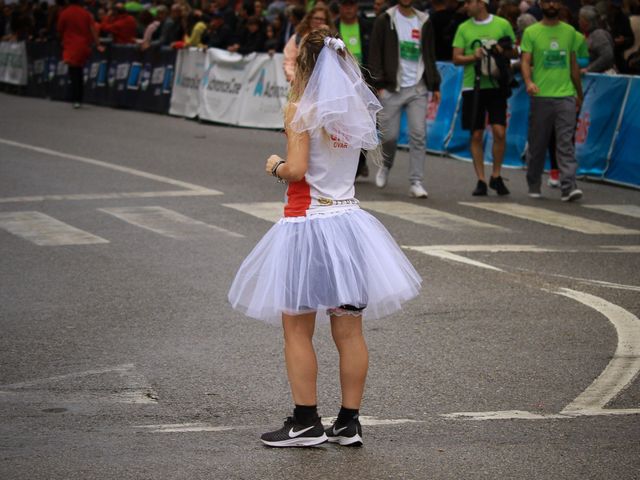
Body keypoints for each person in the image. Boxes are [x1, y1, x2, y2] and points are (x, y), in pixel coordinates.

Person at [228, 28, 422, 448]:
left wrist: (275, 164)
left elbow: (297, 170)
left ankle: (305, 421)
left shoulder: (301, 108)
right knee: (350, 331)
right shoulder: (354, 110)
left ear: (304, 65)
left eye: (293, 58)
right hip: (350, 224)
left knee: (296, 329)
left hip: (307, 225)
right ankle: (349, 422)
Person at [368, 0, 441, 198]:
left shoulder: (424, 20)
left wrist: (435, 83)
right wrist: (379, 84)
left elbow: (430, 54)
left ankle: (416, 181)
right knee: (389, 136)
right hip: (392, 87)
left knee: (418, 134)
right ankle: (386, 165)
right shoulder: (385, 20)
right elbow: (374, 53)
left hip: (418, 87)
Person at [521, 0, 584, 201]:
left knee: (565, 142)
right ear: (540, 4)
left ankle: (568, 186)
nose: (551, 5)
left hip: (565, 95)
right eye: (547, 1)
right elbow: (525, 61)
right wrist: (529, 81)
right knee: (538, 144)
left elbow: (573, 63)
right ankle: (534, 183)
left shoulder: (570, 32)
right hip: (541, 96)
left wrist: (578, 92)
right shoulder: (531, 32)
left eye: (555, 1)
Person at [452, 0, 515, 196]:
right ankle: (481, 179)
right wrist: (474, 55)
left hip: (496, 84)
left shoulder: (502, 24)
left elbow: (514, 51)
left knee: (499, 131)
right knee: (476, 134)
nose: (465, 6)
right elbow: (456, 58)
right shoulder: (463, 27)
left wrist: (499, 50)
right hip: (473, 86)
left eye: (469, 2)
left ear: (481, 3)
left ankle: (496, 175)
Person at [335, 0, 372, 179]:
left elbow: (373, 52)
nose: (348, 9)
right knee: (343, 124)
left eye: (351, 5)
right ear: (340, 7)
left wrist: (376, 82)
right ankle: (346, 163)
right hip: (340, 84)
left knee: (364, 124)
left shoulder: (366, 26)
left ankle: (360, 163)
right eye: (345, 5)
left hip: (363, 83)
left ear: (357, 7)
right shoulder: (333, 27)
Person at [57, 0, 103, 109]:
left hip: (70, 46)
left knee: (74, 73)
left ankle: (76, 99)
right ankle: (79, 98)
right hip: (83, 46)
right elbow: (93, 30)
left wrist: (61, 40)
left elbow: (59, 29)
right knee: (79, 71)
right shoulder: (86, 14)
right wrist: (98, 44)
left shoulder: (64, 13)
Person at [283, 4, 334, 82]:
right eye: (316, 18)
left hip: (325, 84)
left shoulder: (332, 39)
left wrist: (327, 35)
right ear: (309, 19)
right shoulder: (298, 37)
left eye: (322, 19)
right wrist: (293, 78)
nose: (319, 22)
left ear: (326, 21)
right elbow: (289, 61)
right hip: (301, 83)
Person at [579, 5, 615, 72]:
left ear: (586, 21)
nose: (579, 21)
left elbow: (607, 55)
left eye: (580, 19)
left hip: (602, 77)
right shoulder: (586, 35)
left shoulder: (598, 34)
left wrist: (589, 69)